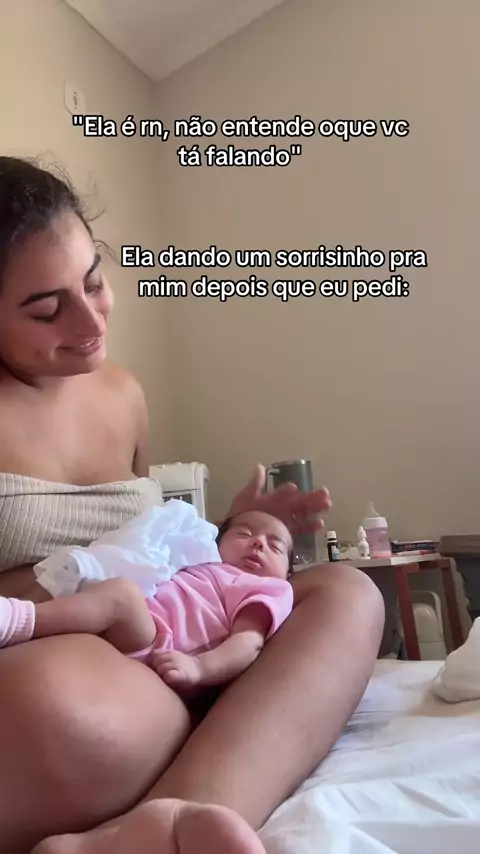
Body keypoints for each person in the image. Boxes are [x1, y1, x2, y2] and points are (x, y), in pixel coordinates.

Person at [0, 156, 385, 854]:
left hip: (174, 645)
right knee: (50, 706)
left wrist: (224, 532)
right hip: (67, 668)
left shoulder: (122, 394)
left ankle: (154, 828)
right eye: (47, 309)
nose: (89, 321)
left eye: (95, 282)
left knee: (344, 593)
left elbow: (146, 541)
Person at [0, 510, 295, 692]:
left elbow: (248, 641)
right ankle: (22, 624)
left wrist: (200, 668)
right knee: (94, 582)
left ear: (289, 571)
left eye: (275, 546)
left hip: (162, 643)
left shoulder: (271, 588)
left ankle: (14, 619)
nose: (258, 543)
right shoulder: (204, 562)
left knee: (123, 596)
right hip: (140, 623)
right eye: (244, 533)